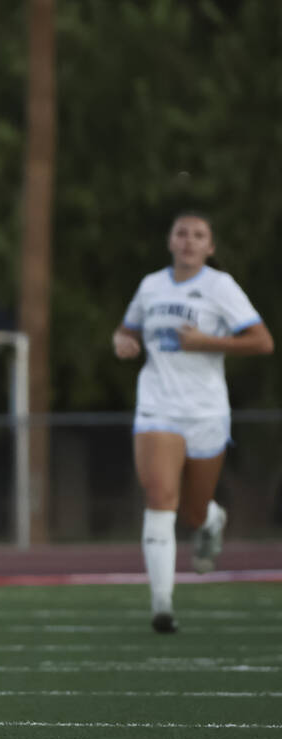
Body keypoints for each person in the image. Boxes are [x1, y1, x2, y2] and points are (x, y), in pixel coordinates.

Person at [112, 211, 273, 634]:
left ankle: (210, 520)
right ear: (170, 241)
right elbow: (126, 330)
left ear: (210, 247)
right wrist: (123, 341)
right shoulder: (151, 285)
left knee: (192, 509)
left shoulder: (220, 287)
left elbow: (262, 341)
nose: (188, 241)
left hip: (205, 411)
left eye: (198, 235)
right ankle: (162, 605)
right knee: (160, 494)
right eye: (181, 233)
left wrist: (206, 342)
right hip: (157, 406)